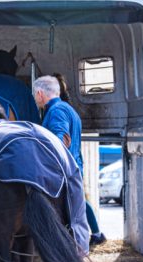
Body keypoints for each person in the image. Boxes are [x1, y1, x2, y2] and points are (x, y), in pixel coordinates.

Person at [33, 75, 107, 247]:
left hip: (62, 172)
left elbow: (60, 140)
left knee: (72, 214)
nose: (35, 99)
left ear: (39, 93)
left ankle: (77, 253)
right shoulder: (67, 109)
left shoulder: (56, 111)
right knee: (77, 208)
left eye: (34, 95)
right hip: (73, 168)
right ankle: (89, 240)